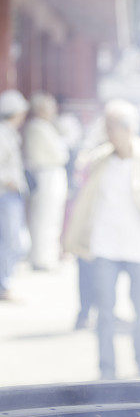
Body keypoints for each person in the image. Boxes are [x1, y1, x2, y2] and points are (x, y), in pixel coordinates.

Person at [64, 99, 140, 379]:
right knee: (105, 311)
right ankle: (107, 369)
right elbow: (85, 201)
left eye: (111, 127)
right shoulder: (98, 159)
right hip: (105, 245)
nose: (108, 132)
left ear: (127, 128)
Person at [23, 92, 69, 270]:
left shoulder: (46, 126)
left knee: (51, 217)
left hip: (51, 175)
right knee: (44, 218)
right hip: (46, 174)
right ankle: (42, 258)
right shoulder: (39, 127)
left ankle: (48, 256)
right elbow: (60, 154)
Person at [0, 89, 29, 300]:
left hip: (10, 194)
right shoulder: (2, 134)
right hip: (5, 194)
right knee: (10, 241)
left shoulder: (9, 133)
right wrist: (8, 181)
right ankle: (4, 283)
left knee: (12, 240)